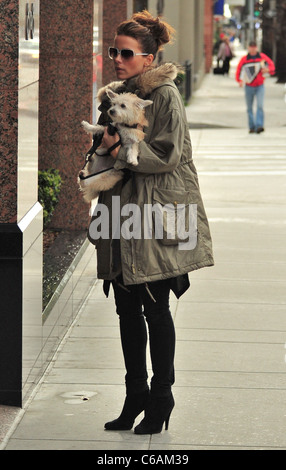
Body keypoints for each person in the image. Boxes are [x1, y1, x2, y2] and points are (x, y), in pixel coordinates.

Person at [90, 10, 214, 435]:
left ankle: (162, 397)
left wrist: (119, 144)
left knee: (155, 308)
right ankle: (135, 395)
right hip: (122, 210)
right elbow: (106, 149)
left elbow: (166, 155)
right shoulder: (115, 95)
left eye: (125, 53)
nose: (117, 59)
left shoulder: (164, 96)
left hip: (155, 214)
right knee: (126, 307)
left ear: (148, 57)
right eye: (113, 51)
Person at [236, 40, 275, 133]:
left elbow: (272, 66)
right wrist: (240, 80)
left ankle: (259, 125)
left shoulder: (262, 57)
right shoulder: (244, 59)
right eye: (251, 47)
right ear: (249, 48)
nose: (253, 49)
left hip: (260, 85)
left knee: (260, 105)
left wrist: (268, 70)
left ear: (256, 48)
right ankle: (252, 126)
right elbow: (239, 70)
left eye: (254, 47)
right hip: (249, 86)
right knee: (249, 107)